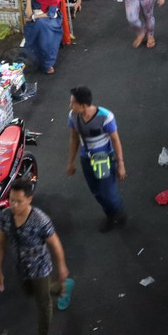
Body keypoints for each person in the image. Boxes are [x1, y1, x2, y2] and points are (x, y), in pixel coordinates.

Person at [0, 179, 74, 335]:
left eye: (19, 201)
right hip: (20, 267)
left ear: (29, 199)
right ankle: (62, 288)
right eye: (11, 200)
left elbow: (55, 243)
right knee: (29, 292)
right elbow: (1, 242)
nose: (14, 205)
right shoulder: (5, 216)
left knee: (43, 303)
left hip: (40, 268)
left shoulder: (40, 220)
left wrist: (62, 266)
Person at [66, 86, 127, 232]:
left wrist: (120, 164)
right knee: (96, 191)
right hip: (86, 159)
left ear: (84, 105)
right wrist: (71, 163)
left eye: (72, 103)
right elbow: (74, 139)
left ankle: (118, 213)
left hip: (104, 159)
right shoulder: (73, 116)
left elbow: (115, 140)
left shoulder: (106, 117)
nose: (70, 106)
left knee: (108, 193)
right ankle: (110, 214)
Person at [22, 0, 63, 76]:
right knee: (37, 27)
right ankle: (38, 60)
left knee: (44, 32)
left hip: (51, 20)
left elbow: (51, 14)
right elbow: (27, 15)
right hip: (37, 20)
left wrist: (35, 17)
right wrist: (28, 0)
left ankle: (47, 63)